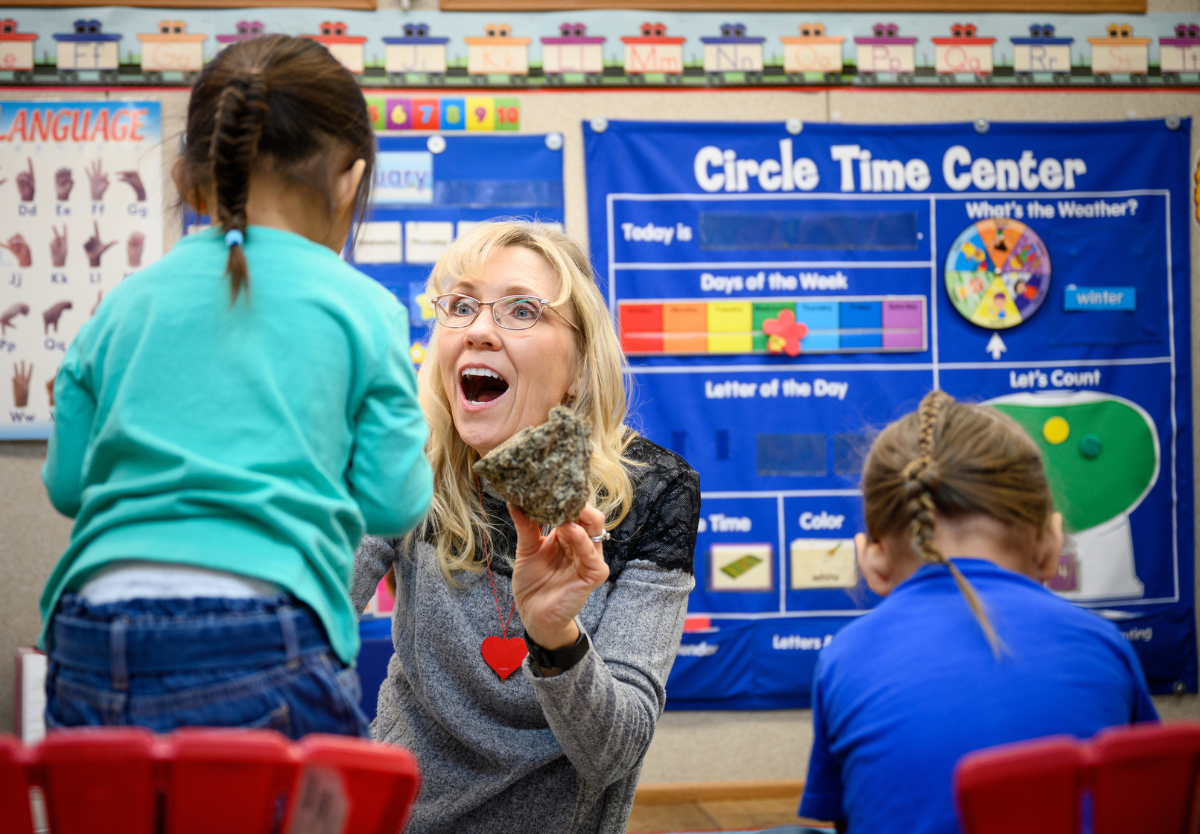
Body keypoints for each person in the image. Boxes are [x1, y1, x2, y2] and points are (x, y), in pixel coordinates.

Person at [38, 35, 432, 738]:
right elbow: (393, 500)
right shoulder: (363, 307)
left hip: (90, 629)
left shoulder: (125, 304)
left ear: (193, 173)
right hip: (266, 632)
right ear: (349, 180)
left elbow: (69, 485)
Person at [353, 221, 700, 834]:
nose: (479, 329)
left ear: (578, 364)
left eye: (521, 310)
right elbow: (307, 616)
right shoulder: (411, 466)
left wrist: (554, 634)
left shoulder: (654, 491)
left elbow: (613, 753)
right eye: (460, 306)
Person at [798, 390, 1157, 834]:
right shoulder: (1104, 645)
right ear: (1051, 546)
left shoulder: (844, 658)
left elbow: (849, 820)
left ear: (872, 562)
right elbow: (1145, 800)